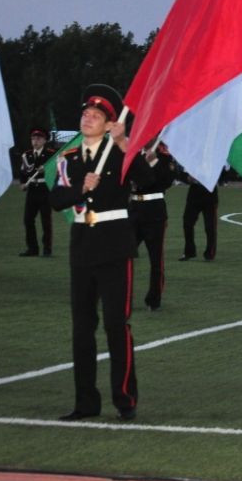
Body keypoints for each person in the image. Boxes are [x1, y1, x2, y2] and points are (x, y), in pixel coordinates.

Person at [50, 85, 153, 421]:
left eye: (96, 116)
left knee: (115, 324)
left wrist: (124, 142)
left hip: (114, 245)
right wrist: (82, 188)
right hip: (82, 245)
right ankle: (85, 403)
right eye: (85, 114)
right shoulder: (69, 159)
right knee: (82, 327)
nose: (88, 118)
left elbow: (148, 180)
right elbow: (55, 200)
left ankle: (125, 399)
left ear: (110, 124)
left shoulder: (120, 152)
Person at [129, 141, 176, 310]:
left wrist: (154, 162)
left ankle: (153, 299)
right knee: (123, 256)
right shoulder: (133, 154)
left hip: (154, 213)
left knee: (156, 259)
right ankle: (121, 295)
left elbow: (167, 181)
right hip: (134, 211)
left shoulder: (163, 157)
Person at [18, 126, 57, 257]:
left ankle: (47, 249)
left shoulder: (51, 154)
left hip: (45, 190)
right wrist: (23, 183)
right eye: (33, 138)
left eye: (39, 138)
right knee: (28, 220)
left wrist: (47, 169)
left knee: (46, 221)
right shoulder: (27, 155)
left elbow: (57, 171)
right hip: (32, 191)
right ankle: (32, 248)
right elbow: (23, 172)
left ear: (44, 140)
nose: (35, 141)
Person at [177, 169, 218, 262]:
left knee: (210, 227)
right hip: (194, 195)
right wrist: (188, 178)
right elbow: (182, 174)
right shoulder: (192, 159)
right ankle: (189, 251)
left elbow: (219, 174)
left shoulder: (214, 160)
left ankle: (210, 253)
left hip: (210, 196)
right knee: (187, 223)